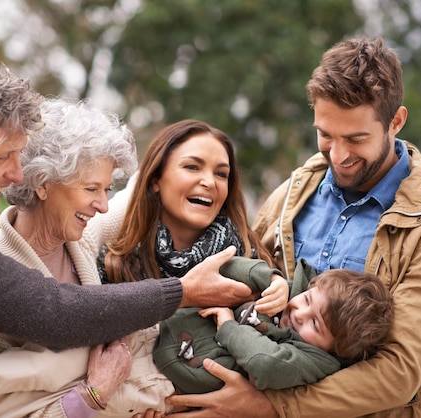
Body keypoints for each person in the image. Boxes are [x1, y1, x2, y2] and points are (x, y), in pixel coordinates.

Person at [0, 59, 253, 417]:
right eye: (2, 157)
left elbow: (132, 199)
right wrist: (181, 293)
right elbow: (54, 313)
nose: (16, 173)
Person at [163, 37, 421, 418]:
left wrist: (272, 407)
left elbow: (399, 371)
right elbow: (244, 276)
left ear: (396, 121)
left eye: (356, 139)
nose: (338, 156)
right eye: (325, 135)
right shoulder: (296, 189)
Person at [98, 119, 290, 416]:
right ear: (155, 180)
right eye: (192, 167)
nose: (210, 182)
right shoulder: (114, 265)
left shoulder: (254, 267)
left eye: (221, 174)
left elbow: (281, 357)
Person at [154, 257, 394, 394]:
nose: (299, 313)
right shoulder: (290, 293)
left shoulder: (314, 361)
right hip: (162, 327)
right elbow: (230, 267)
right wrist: (272, 278)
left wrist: (229, 327)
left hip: (170, 384)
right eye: (307, 299)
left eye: (315, 324)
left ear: (335, 349)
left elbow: (265, 363)